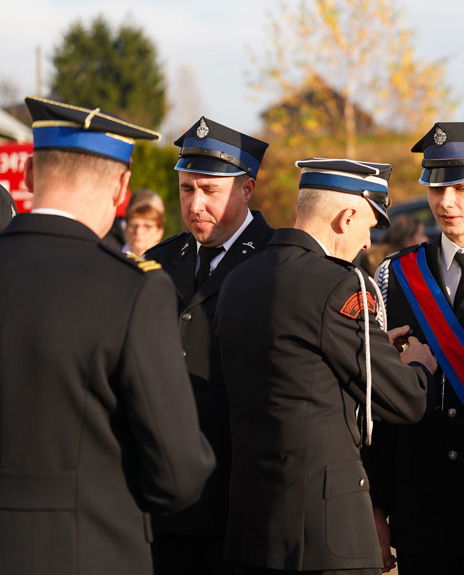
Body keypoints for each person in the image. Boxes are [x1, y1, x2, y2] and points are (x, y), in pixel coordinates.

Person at [0, 96, 215, 575]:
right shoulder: (133, 288)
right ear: (122, 188)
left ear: (31, 177)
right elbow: (177, 476)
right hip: (84, 550)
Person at [216, 157, 439, 575]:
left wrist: (371, 352)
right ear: (346, 217)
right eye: (369, 227)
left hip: (251, 526)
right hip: (323, 535)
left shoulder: (239, 279)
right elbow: (406, 401)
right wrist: (416, 366)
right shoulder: (337, 284)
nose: (368, 244)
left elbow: (297, 367)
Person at [364, 122, 464, 575]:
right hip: (421, 509)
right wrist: (376, 506)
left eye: (461, 188)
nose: (445, 202)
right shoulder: (398, 275)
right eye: (435, 188)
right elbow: (380, 405)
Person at [145, 117, 274, 575]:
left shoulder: (275, 263)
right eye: (186, 190)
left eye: (209, 191)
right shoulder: (158, 262)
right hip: (170, 498)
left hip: (242, 496)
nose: (196, 204)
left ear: (246, 190)